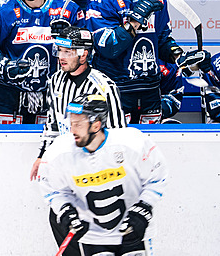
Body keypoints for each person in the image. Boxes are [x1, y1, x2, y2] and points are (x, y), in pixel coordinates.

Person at [86, 0, 203, 123]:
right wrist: (134, 22)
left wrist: (178, 56)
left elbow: (162, 38)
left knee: (149, 145)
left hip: (150, 87)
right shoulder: (101, 0)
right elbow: (108, 48)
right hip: (114, 87)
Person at [38, 94, 168, 255]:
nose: (72, 130)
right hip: (92, 237)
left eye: (78, 124)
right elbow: (51, 187)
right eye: (71, 123)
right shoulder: (60, 152)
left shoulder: (132, 143)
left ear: (96, 125)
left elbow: (157, 175)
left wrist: (143, 208)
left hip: (132, 233)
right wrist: (65, 211)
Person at [29, 26, 125, 185]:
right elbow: (52, 124)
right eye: (60, 51)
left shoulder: (104, 88)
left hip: (97, 169)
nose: (61, 57)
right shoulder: (56, 81)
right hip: (65, 165)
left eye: (68, 52)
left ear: (83, 55)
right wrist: (42, 156)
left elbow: (118, 133)